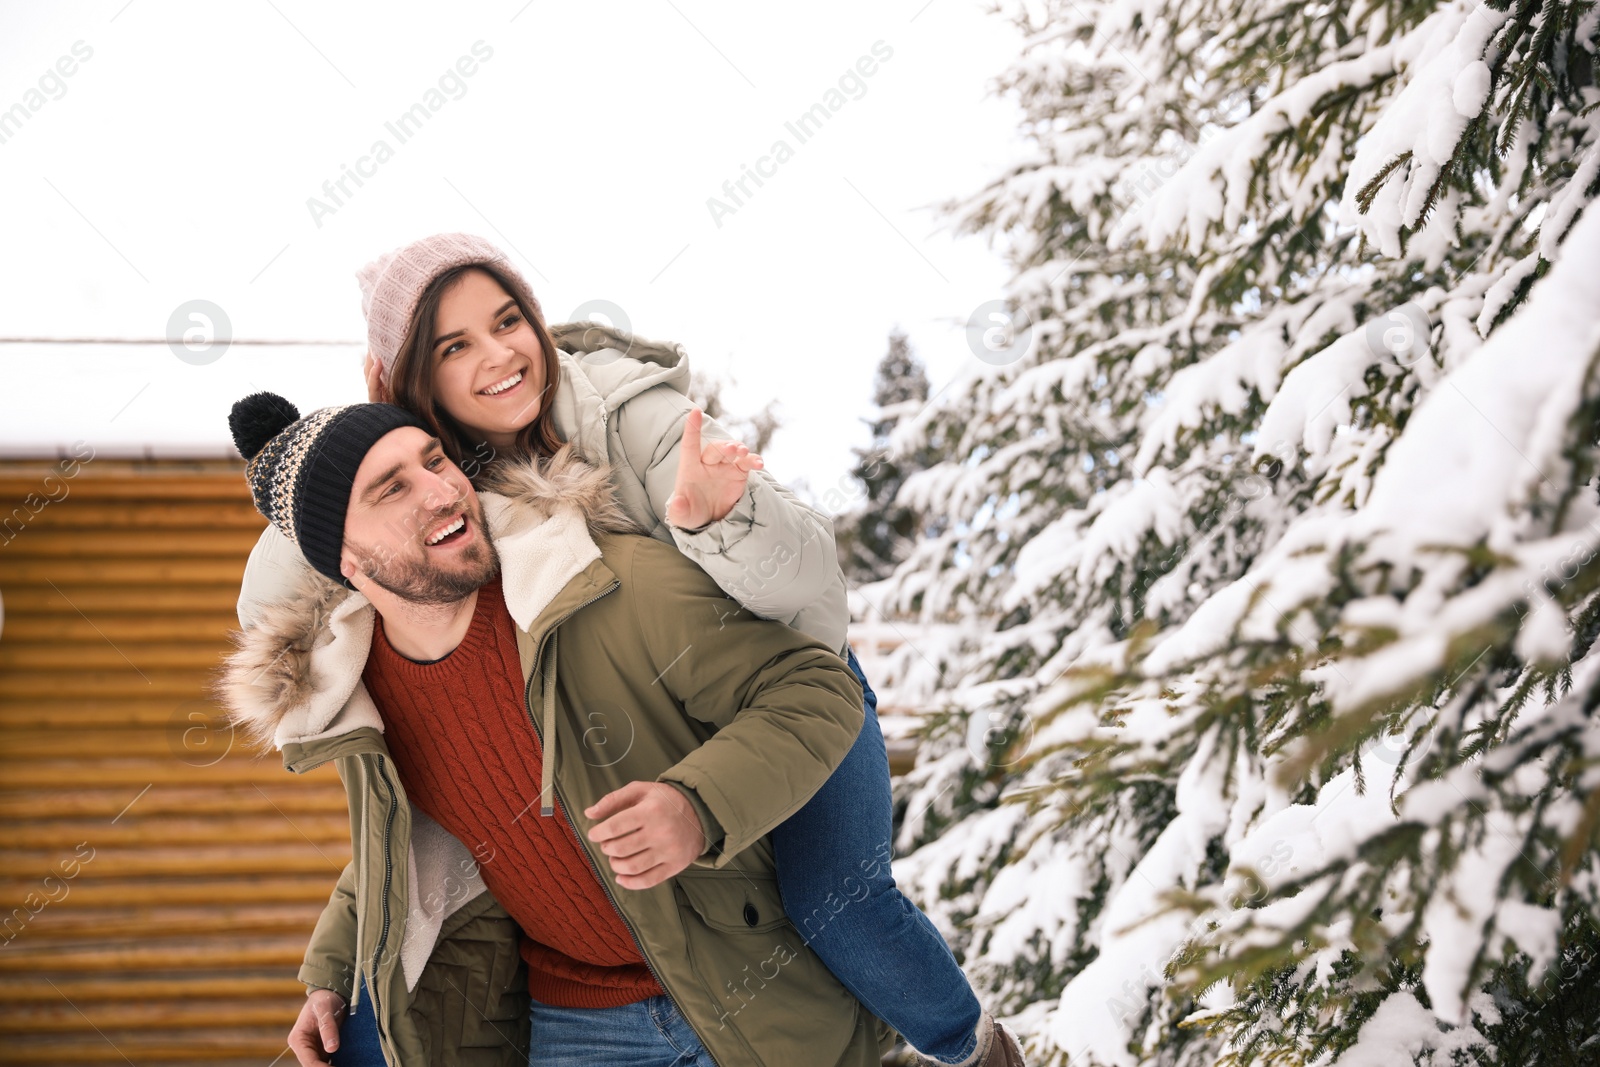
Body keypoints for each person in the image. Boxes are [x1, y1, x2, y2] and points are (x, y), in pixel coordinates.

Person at [233, 233, 1025, 1067]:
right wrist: (330, 969)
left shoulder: (623, 419)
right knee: (361, 1029)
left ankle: (974, 1050)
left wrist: (721, 521)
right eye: (454, 345)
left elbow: (804, 615)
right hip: (601, 964)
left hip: (783, 656)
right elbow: (404, 823)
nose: (499, 355)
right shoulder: (415, 535)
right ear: (409, 383)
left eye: (509, 321)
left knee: (838, 900)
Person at [218, 394, 894, 1065]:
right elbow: (397, 845)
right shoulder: (362, 696)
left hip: (755, 992)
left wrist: (700, 803)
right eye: (392, 488)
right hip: (578, 1024)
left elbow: (816, 687)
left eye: (434, 460)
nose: (441, 490)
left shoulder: (599, 583)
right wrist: (333, 973)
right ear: (347, 560)